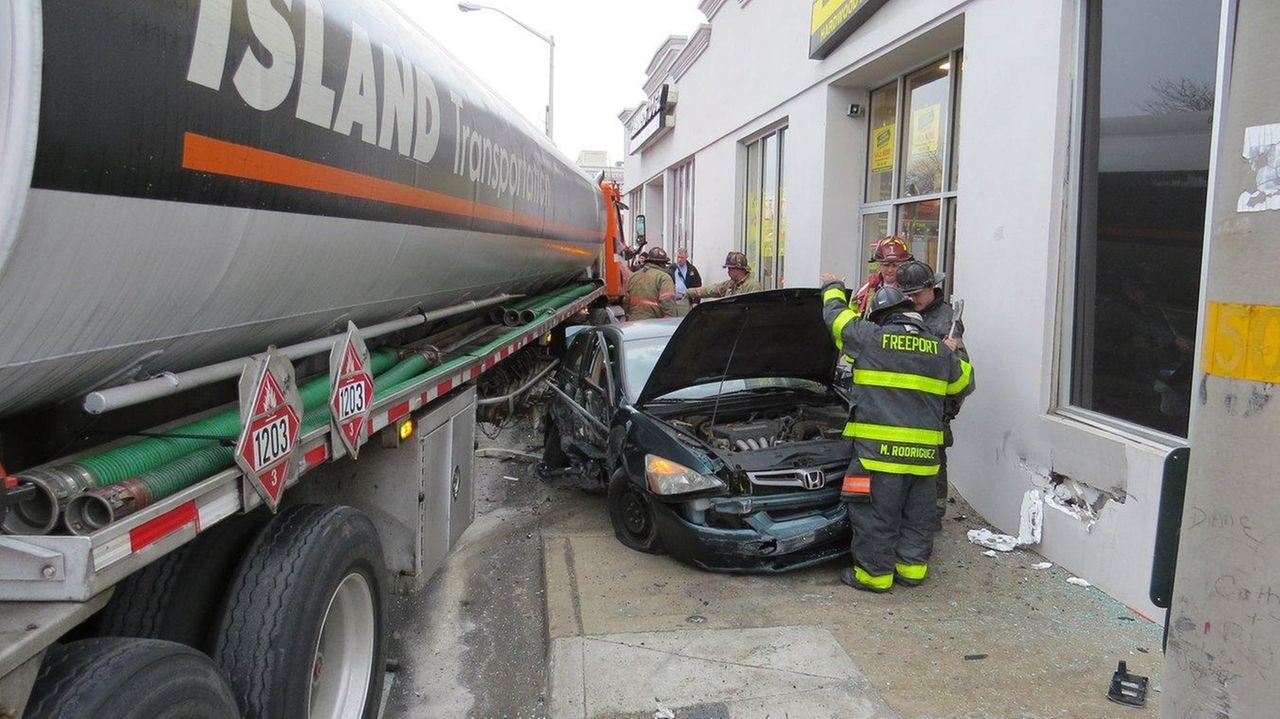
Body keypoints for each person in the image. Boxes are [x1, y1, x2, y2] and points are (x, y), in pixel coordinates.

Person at [819, 277, 974, 593]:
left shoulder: (870, 338)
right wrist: (952, 353)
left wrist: (833, 287)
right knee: (917, 518)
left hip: (878, 456)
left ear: (881, 316)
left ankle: (874, 576)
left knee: (875, 516)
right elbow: (963, 385)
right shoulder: (937, 348)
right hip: (924, 460)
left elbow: (837, 319)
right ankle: (912, 571)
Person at [896, 260, 968, 530]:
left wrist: (947, 412)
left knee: (935, 461)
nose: (912, 299)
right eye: (907, 294)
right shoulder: (906, 311)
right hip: (909, 403)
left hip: (935, 408)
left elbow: (961, 373)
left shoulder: (947, 321)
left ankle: (934, 514)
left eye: (916, 294)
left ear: (931, 288)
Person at [853, 236, 913, 314]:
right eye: (886, 265)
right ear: (879, 265)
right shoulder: (868, 288)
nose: (890, 270)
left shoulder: (912, 289)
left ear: (904, 265)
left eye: (895, 265)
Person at [683, 251, 763, 300]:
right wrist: (689, 292)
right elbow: (710, 290)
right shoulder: (730, 284)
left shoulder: (753, 286)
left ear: (738, 269)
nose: (728, 271)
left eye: (730, 269)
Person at [624, 247, 678, 320]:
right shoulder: (663, 277)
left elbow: (626, 301)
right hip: (654, 325)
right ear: (662, 263)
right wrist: (669, 322)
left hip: (634, 323)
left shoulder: (633, 276)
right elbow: (668, 302)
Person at [671, 247, 703, 316]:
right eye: (678, 257)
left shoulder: (692, 270)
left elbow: (698, 286)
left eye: (682, 257)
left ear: (686, 257)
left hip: (684, 301)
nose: (679, 260)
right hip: (672, 301)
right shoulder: (672, 269)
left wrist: (696, 302)